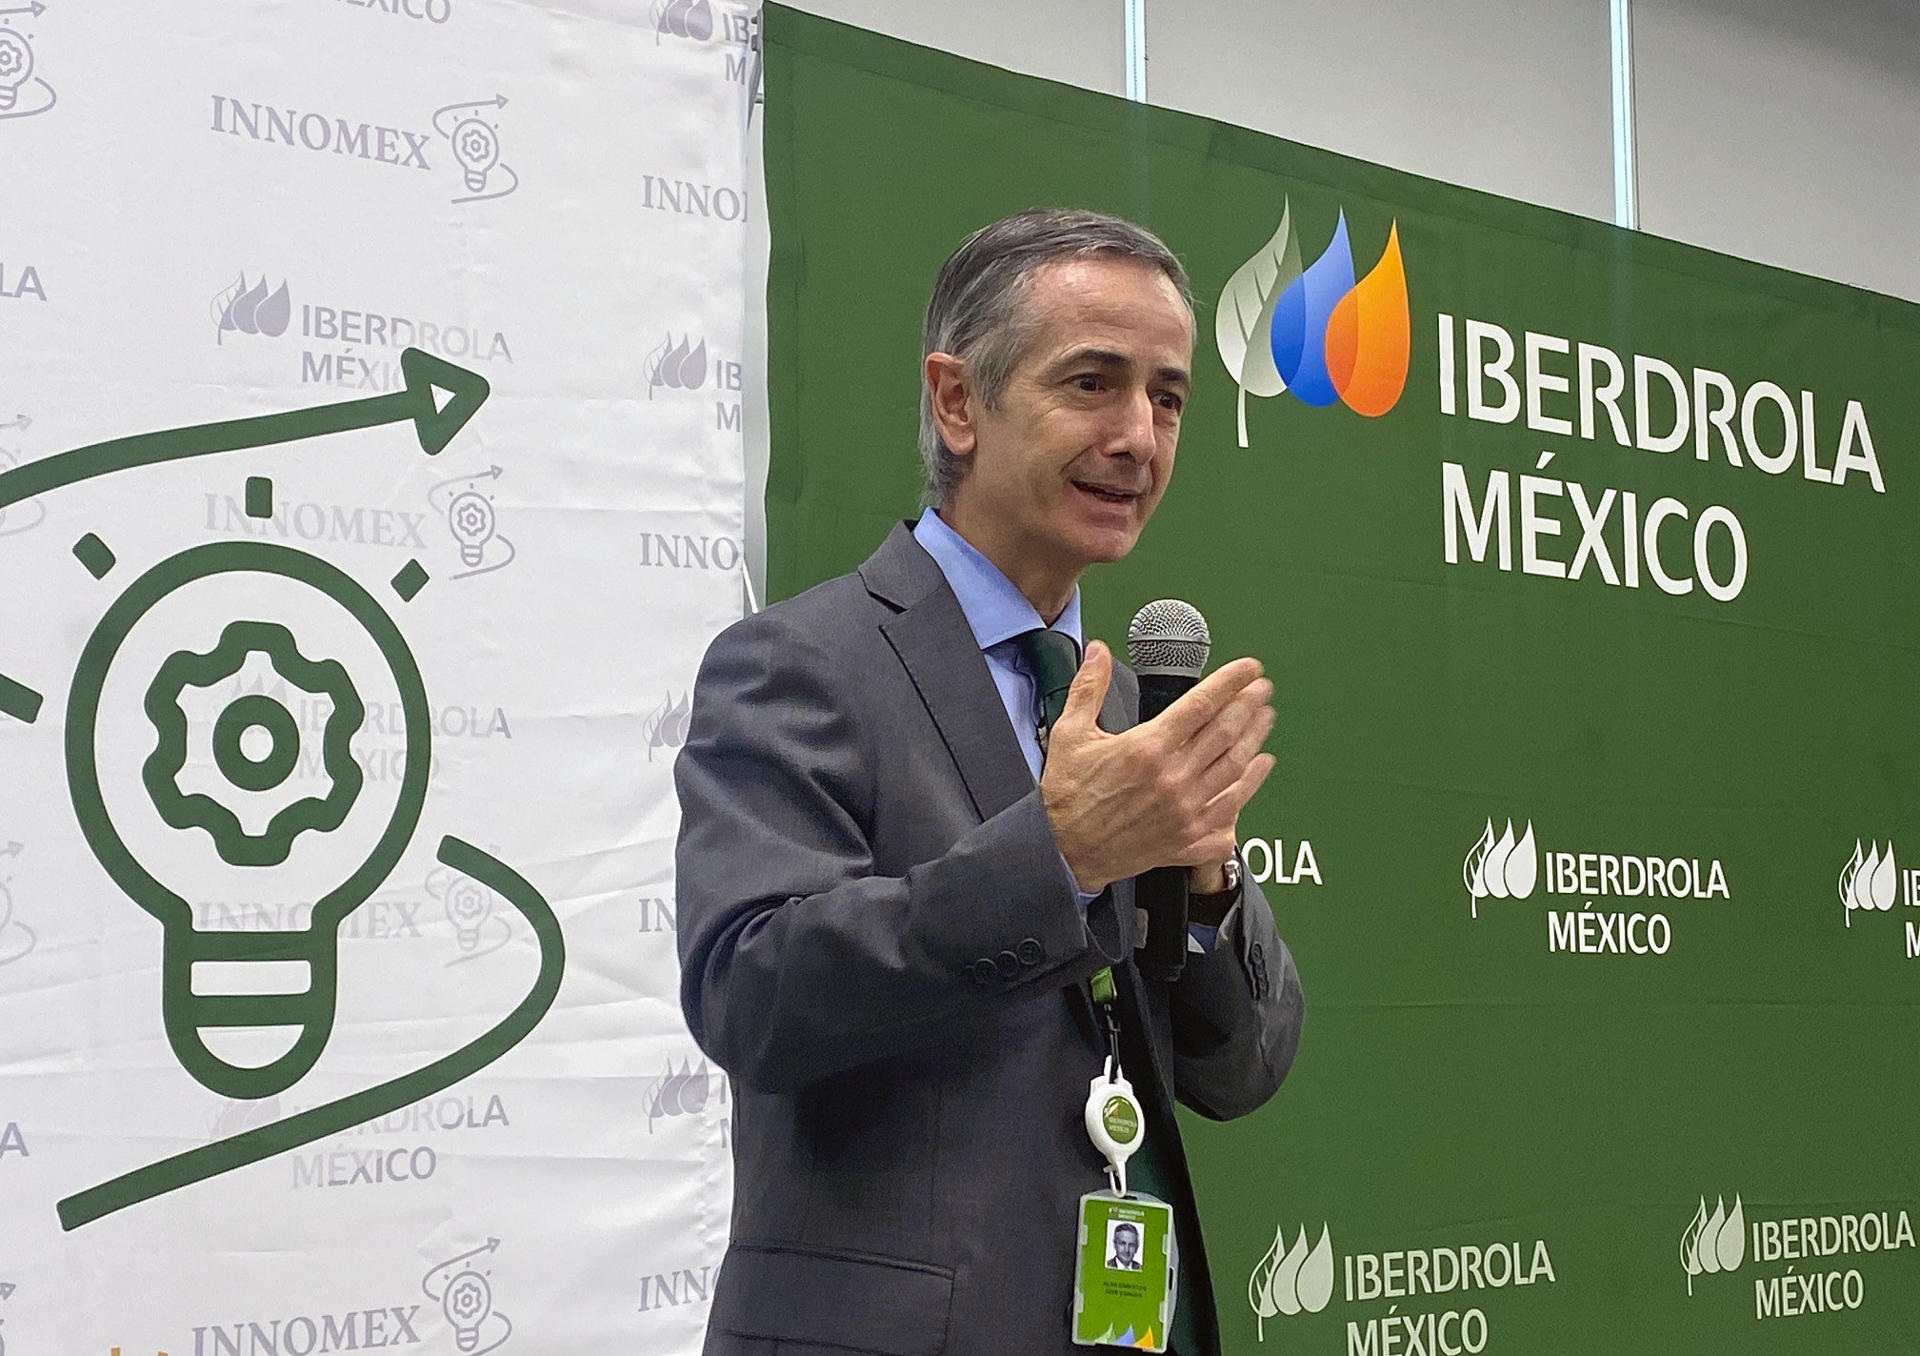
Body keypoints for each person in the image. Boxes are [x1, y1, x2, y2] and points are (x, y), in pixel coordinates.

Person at [675, 207, 1304, 1356]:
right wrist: (1060, 857)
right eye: (1093, 384)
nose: (1138, 438)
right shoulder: (800, 665)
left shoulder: (1126, 707)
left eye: (1168, 397)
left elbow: (1243, 1069)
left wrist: (1203, 883)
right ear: (957, 402)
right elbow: (750, 993)